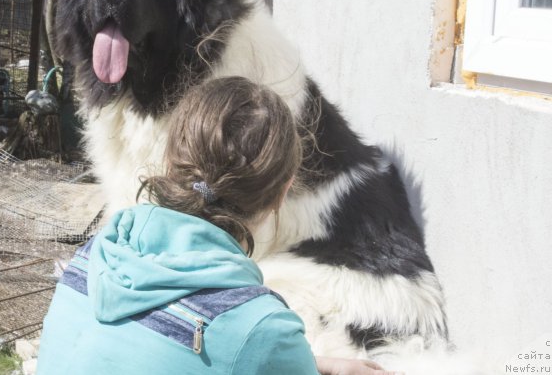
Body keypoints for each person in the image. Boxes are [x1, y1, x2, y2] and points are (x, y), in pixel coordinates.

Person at [37, 76, 400, 375]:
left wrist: (314, 365)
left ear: (171, 158)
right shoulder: (261, 329)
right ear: (283, 192)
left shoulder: (93, 260)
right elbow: (244, 346)